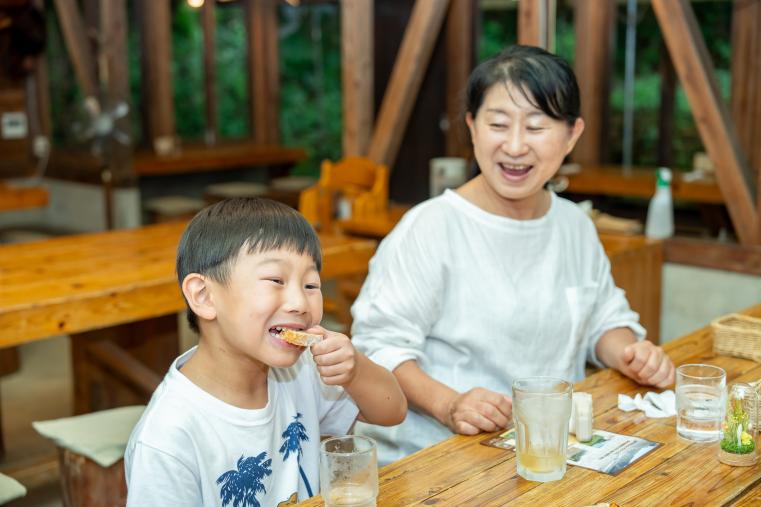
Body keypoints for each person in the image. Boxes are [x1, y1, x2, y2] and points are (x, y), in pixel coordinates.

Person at [351, 45, 676, 465]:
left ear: (572, 135)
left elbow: (603, 321)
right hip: (435, 460)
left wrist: (633, 354)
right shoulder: (431, 227)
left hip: (547, 450)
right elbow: (378, 348)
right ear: (472, 127)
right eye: (498, 124)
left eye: (537, 127)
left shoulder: (573, 225)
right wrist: (450, 404)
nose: (516, 146)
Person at [125, 198, 406, 505]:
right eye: (275, 280)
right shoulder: (167, 437)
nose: (300, 302)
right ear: (204, 296)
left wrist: (355, 371)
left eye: (311, 285)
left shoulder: (300, 371)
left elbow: (392, 411)